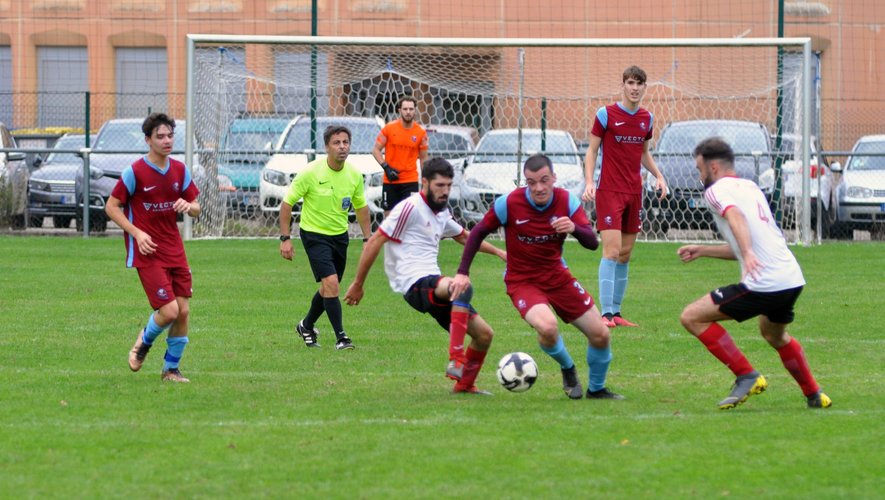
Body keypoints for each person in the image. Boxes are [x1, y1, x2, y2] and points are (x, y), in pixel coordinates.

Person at [452, 154, 623, 400]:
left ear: (554, 178)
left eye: (544, 180)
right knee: (548, 326)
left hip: (557, 276)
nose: (539, 188)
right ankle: (567, 367)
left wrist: (574, 228)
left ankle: (597, 390)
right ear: (525, 182)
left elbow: (592, 243)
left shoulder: (567, 201)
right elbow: (477, 233)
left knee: (600, 334)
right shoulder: (509, 203)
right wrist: (462, 272)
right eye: (532, 182)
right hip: (522, 281)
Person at [678, 137, 832, 410]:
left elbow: (735, 218)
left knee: (691, 317)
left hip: (764, 283)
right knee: (774, 335)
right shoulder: (750, 187)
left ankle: (746, 374)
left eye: (699, 168)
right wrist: (703, 249)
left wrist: (748, 254)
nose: (699, 175)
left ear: (713, 167)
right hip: (791, 279)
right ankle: (814, 394)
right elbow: (749, 239)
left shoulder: (715, 191)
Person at [344, 158, 507, 394]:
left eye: (449, 186)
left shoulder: (441, 213)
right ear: (425, 182)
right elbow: (375, 241)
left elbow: (465, 237)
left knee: (484, 335)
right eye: (439, 185)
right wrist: (358, 283)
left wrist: (500, 252)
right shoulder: (409, 207)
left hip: (436, 284)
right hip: (414, 283)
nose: (445, 191)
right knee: (460, 286)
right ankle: (456, 358)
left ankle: (465, 385)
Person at [105, 112, 201, 383]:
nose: (167, 140)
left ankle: (171, 369)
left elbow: (196, 207)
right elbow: (112, 207)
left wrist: (188, 207)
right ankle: (143, 343)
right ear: (148, 140)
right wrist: (137, 234)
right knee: (168, 311)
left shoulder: (180, 170)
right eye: (160, 136)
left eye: (170, 135)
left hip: (175, 249)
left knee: (182, 311)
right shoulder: (135, 172)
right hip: (148, 252)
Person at [582, 65, 668, 328]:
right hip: (609, 191)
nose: (634, 88)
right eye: (630, 82)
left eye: (639, 83)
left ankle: (616, 312)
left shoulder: (647, 118)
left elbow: (643, 154)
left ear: (644, 87)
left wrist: (659, 175)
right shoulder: (605, 114)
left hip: (635, 192)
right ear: (623, 85)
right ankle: (605, 314)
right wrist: (588, 182)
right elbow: (592, 151)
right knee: (611, 251)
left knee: (626, 253)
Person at [279, 125, 372, 350]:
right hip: (313, 234)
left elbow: (361, 208)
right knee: (331, 283)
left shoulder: (353, 175)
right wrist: (285, 238)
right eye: (336, 143)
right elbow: (287, 204)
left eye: (345, 142)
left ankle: (306, 325)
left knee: (329, 287)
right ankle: (341, 337)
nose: (342, 147)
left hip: (340, 236)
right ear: (327, 147)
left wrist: (368, 239)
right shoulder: (311, 172)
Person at [373, 96, 429, 216]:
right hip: (390, 180)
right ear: (399, 110)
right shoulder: (389, 128)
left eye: (411, 109)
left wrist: (425, 181)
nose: (408, 112)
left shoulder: (421, 133)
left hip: (410, 181)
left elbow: (423, 158)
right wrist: (386, 167)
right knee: (389, 217)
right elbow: (376, 150)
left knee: (408, 216)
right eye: (405, 109)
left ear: (415, 110)